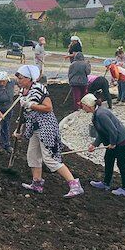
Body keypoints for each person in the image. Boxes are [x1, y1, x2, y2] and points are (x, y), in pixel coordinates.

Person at [14, 65, 84, 198]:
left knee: (50, 158)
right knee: (32, 155)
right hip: (34, 128)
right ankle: (37, 183)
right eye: (18, 78)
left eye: (21, 78)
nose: (19, 81)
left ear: (29, 78)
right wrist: (19, 129)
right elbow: (24, 114)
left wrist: (30, 105)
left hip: (46, 127)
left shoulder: (38, 89)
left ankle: (74, 184)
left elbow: (48, 108)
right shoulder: (24, 91)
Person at [80, 93, 125, 196]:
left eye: (83, 105)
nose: (82, 107)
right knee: (108, 160)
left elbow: (113, 131)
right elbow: (102, 132)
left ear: (88, 106)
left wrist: (112, 143)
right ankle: (106, 183)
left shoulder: (101, 114)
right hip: (114, 140)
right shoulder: (96, 114)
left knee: (122, 164)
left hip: (122, 140)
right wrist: (94, 144)